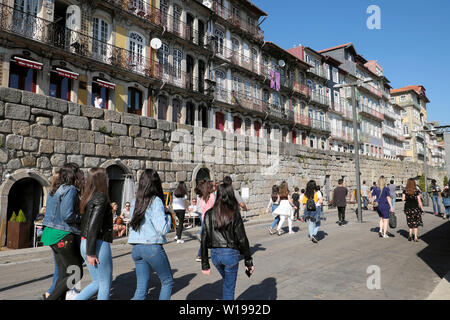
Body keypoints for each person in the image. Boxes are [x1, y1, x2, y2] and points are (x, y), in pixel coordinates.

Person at [201, 183, 254, 300]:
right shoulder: (234, 213)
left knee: (227, 282)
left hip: (215, 255)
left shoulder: (209, 214)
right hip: (230, 253)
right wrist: (248, 261)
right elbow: (242, 238)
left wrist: (205, 263)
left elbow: (204, 238)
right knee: (229, 287)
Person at [128, 169, 174, 300]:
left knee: (141, 288)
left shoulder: (134, 201)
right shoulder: (156, 201)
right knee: (167, 282)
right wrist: (168, 214)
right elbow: (163, 229)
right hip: (152, 247)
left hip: (136, 248)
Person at [41, 164, 84, 300]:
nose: (81, 175)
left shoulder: (55, 189)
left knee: (63, 274)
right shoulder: (70, 189)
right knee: (76, 273)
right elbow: (67, 215)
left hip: (51, 234)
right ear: (73, 174)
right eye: (79, 172)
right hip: (63, 235)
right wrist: (83, 217)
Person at [76, 168, 113, 300]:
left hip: (86, 242)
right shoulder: (101, 197)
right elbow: (93, 226)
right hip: (97, 243)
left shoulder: (89, 196)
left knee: (97, 282)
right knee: (105, 283)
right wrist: (91, 253)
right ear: (101, 179)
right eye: (106, 176)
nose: (108, 179)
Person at [195, 180, 216, 262]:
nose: (214, 187)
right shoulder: (212, 196)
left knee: (207, 238)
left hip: (205, 218)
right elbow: (214, 207)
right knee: (212, 238)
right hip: (212, 219)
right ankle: (213, 255)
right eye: (213, 186)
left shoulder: (203, 197)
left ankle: (200, 255)